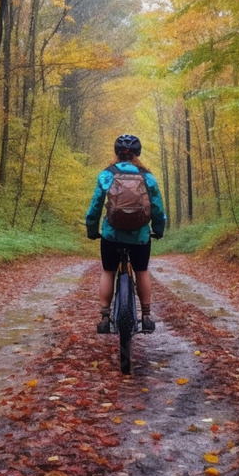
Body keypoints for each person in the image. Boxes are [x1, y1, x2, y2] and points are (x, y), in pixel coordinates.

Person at [85, 134, 166, 334]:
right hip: (140, 236)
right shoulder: (147, 177)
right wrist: (158, 229)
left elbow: (95, 206)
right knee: (141, 271)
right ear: (137, 154)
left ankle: (104, 317)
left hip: (112, 235)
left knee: (108, 271)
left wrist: (92, 229)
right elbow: (156, 207)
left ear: (117, 153)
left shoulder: (106, 175)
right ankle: (146, 316)